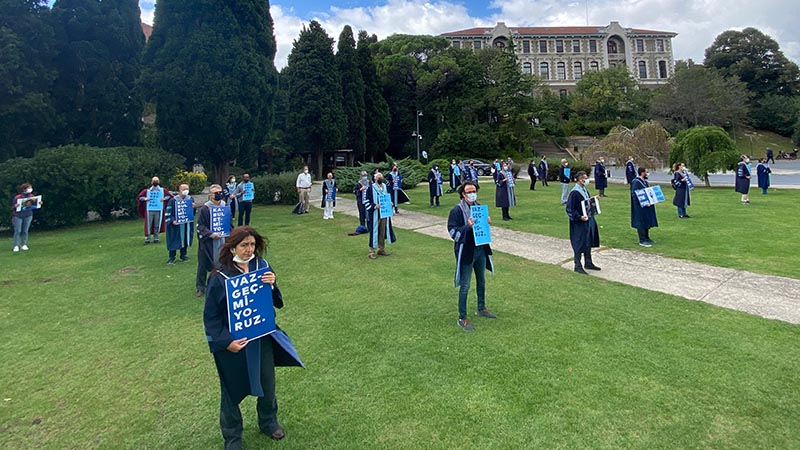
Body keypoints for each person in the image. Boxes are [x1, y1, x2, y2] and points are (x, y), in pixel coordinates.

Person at [203, 226, 303, 449]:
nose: (249, 250)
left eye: (252, 245)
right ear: (232, 248)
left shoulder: (262, 266)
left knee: (267, 383)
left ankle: (268, 422)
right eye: (244, 245)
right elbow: (210, 317)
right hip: (233, 343)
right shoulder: (220, 276)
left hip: (261, 337)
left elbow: (275, 301)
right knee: (231, 390)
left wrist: (273, 283)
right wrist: (226, 342)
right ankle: (232, 437)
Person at [447, 181, 496, 332]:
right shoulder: (456, 210)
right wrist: (467, 227)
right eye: (469, 191)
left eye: (474, 190)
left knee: (481, 281)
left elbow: (482, 229)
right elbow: (452, 232)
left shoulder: (479, 208)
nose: (472, 194)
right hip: (466, 252)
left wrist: (487, 223)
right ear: (463, 194)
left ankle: (481, 308)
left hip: (480, 250)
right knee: (465, 285)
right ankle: (462, 317)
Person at [566, 171, 601, 274]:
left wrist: (594, 199)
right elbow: (570, 209)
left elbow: (586, 203)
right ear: (581, 180)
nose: (587, 180)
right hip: (579, 223)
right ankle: (577, 265)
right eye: (585, 178)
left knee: (588, 241)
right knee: (579, 243)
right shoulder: (575, 193)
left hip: (588, 220)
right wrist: (579, 217)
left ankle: (588, 262)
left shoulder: (584, 190)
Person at [196, 184, 227, 297]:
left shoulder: (224, 206)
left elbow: (228, 223)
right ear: (210, 195)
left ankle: (220, 284)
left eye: (220, 192)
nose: (219, 194)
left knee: (223, 262)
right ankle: (200, 287)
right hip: (208, 241)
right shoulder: (205, 208)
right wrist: (212, 234)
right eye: (216, 193)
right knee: (203, 265)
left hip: (222, 239)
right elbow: (201, 226)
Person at [363, 172, 396, 259]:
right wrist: (374, 206)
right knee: (374, 232)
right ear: (375, 179)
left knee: (382, 231)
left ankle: (381, 249)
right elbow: (366, 201)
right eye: (379, 177)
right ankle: (371, 251)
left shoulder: (385, 187)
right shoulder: (370, 188)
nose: (381, 178)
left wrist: (390, 203)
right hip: (375, 214)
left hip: (384, 213)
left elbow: (388, 197)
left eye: (381, 177)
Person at [165, 183, 195, 264]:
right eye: (183, 189)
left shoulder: (190, 199)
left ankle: (183, 255)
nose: (186, 191)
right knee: (174, 240)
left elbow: (192, 214)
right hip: (175, 225)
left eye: (187, 189)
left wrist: (193, 208)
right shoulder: (173, 200)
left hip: (186, 224)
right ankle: (172, 257)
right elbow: (168, 213)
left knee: (185, 239)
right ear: (179, 191)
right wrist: (172, 220)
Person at [137, 176, 171, 244]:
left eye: (156, 181)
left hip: (159, 209)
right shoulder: (147, 191)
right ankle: (147, 239)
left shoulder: (162, 190)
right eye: (154, 181)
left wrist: (164, 199)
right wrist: (145, 199)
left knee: (157, 224)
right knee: (148, 224)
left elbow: (169, 196)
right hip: (149, 210)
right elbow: (140, 197)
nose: (155, 182)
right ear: (152, 182)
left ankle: (156, 238)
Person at [630, 167, 658, 247]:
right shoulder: (636, 182)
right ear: (642, 173)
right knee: (641, 222)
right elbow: (634, 194)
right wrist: (643, 202)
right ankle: (642, 240)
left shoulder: (645, 182)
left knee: (646, 221)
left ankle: (647, 237)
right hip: (639, 206)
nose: (647, 173)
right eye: (646, 172)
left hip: (647, 205)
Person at [11, 182, 42, 252]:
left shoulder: (31, 196)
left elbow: (34, 205)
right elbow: (12, 207)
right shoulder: (18, 197)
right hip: (18, 216)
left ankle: (24, 244)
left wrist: (39, 203)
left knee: (25, 231)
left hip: (28, 215)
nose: (30, 189)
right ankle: (16, 245)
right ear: (24, 189)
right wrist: (15, 206)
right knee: (18, 231)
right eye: (29, 188)